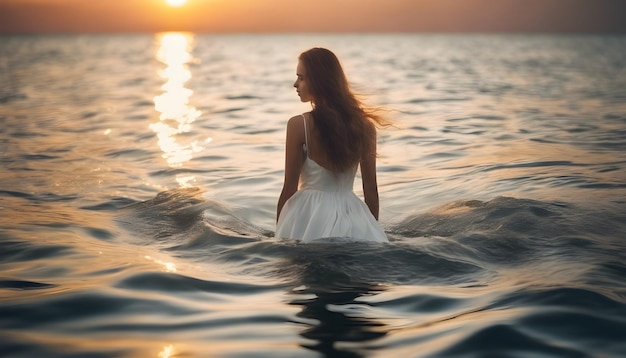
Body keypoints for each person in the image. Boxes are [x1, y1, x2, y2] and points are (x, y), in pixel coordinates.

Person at [275, 47, 389, 243]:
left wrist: (278, 234)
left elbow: (289, 188)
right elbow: (371, 190)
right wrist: (372, 229)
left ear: (319, 81)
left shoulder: (298, 125)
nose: (295, 84)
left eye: (301, 78)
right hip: (353, 216)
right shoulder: (365, 127)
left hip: (309, 217)